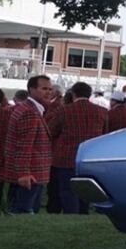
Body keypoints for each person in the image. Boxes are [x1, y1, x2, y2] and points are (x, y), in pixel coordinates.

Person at [47, 82, 109, 214]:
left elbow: (51, 131)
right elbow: (104, 135)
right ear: (89, 94)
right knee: (86, 189)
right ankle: (82, 213)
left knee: (67, 189)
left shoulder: (64, 110)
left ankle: (71, 214)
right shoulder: (102, 112)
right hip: (89, 157)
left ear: (73, 94)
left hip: (65, 157)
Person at [0, 75, 54, 214]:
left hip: (31, 174)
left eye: (50, 89)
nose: (48, 92)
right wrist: (24, 174)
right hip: (30, 175)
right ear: (31, 89)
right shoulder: (29, 112)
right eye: (44, 88)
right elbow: (24, 146)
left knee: (24, 212)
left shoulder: (30, 109)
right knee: (24, 213)